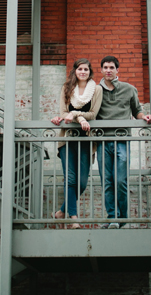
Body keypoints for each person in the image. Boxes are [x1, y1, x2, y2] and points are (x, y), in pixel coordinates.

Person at [96, 55, 151, 228]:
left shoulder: (129, 89)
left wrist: (145, 117)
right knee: (106, 181)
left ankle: (122, 218)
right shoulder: (96, 91)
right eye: (105, 67)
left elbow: (137, 110)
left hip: (121, 140)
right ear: (101, 70)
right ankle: (112, 217)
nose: (108, 70)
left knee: (120, 180)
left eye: (111, 67)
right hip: (102, 140)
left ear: (117, 70)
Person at [50, 58, 102, 229]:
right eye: (80, 69)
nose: (83, 72)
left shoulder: (97, 90)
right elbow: (64, 113)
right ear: (75, 71)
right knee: (70, 179)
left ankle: (61, 212)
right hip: (68, 138)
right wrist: (79, 117)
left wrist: (76, 115)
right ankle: (73, 217)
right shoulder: (66, 88)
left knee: (82, 182)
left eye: (86, 69)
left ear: (89, 72)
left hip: (87, 140)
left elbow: (93, 114)